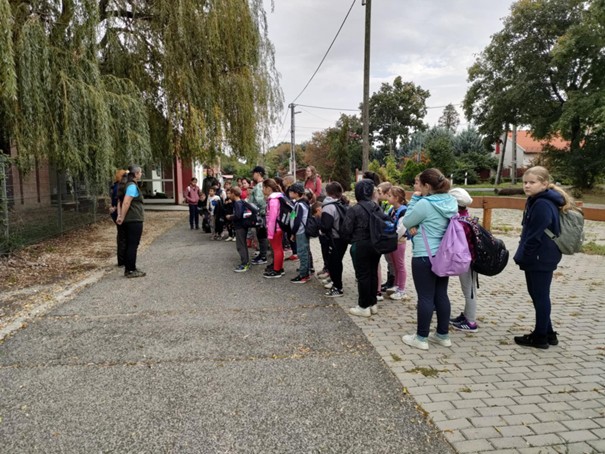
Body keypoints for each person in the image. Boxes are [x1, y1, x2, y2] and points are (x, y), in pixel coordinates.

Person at [513, 166, 570, 349]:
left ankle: (540, 337)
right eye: (525, 182)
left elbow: (534, 234)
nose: (527, 186)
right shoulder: (538, 200)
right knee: (538, 294)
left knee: (540, 295)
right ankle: (548, 333)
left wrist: (524, 254)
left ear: (544, 184)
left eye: (532, 182)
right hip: (542, 254)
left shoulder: (542, 204)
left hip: (540, 255)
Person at [401, 168, 458, 350]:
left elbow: (407, 221)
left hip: (424, 256)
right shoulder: (451, 201)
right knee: (441, 294)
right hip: (443, 255)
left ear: (427, 185)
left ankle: (421, 338)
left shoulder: (425, 204)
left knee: (425, 297)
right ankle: (442, 335)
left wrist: (415, 199)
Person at [341, 179, 382, 316]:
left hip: (360, 244)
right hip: (376, 244)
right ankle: (373, 303)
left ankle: (363, 306)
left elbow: (346, 230)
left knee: (363, 275)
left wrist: (351, 240)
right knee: (373, 273)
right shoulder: (377, 207)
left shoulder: (354, 209)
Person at [448, 188, 479, 332]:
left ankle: (470, 322)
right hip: (469, 259)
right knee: (468, 289)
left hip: (466, 260)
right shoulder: (467, 217)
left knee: (469, 291)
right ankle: (466, 315)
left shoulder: (458, 221)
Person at [116, 165, 146, 278]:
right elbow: (126, 202)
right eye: (140, 172)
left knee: (130, 244)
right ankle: (130, 270)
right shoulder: (132, 186)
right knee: (133, 245)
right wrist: (122, 217)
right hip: (133, 219)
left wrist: (120, 215)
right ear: (136, 174)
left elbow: (120, 202)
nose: (141, 174)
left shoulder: (126, 185)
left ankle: (130, 268)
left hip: (130, 219)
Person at [320, 182, 349, 297]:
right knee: (337, 261)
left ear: (328, 192)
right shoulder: (341, 203)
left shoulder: (328, 206)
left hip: (334, 238)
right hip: (343, 238)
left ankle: (337, 287)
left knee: (334, 263)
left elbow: (326, 226)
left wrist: (319, 226)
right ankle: (335, 283)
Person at [386, 186, 409, 301]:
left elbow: (401, 229)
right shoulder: (392, 209)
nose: (387, 197)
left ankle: (401, 289)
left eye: (389, 195)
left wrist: (393, 237)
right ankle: (396, 285)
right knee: (394, 265)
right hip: (392, 241)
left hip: (399, 242)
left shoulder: (403, 211)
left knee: (400, 265)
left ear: (396, 198)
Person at [288, 182, 311, 283]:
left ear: (296, 193)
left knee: (302, 253)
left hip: (300, 232)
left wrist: (293, 232)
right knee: (304, 252)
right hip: (301, 231)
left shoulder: (299, 205)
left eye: (291, 191)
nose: (289, 193)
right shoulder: (300, 203)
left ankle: (303, 275)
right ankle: (305, 272)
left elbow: (297, 221)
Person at [262, 178, 285, 278]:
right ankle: (279, 267)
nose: (262, 190)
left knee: (276, 249)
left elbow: (272, 218)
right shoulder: (278, 197)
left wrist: (270, 233)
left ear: (268, 188)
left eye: (263, 187)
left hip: (275, 228)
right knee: (278, 248)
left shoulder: (273, 200)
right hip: (278, 227)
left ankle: (277, 270)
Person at [248, 166, 269, 265]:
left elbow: (261, 201)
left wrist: (258, 210)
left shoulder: (260, 186)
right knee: (260, 235)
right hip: (260, 213)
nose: (253, 175)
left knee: (262, 235)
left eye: (254, 173)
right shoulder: (260, 185)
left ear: (259, 173)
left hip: (260, 214)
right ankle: (262, 254)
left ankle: (263, 256)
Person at [227, 186, 250, 272]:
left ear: (233, 194)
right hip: (242, 226)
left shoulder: (237, 203)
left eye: (230, 193)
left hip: (240, 226)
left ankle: (244, 263)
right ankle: (245, 262)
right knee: (242, 244)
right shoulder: (241, 202)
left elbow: (238, 215)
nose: (229, 195)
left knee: (240, 246)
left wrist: (230, 217)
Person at [110, 169, 128, 267]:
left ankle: (122, 259)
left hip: (116, 213)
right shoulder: (119, 187)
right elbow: (119, 201)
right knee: (122, 237)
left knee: (121, 236)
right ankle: (122, 260)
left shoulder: (115, 186)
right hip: (118, 213)